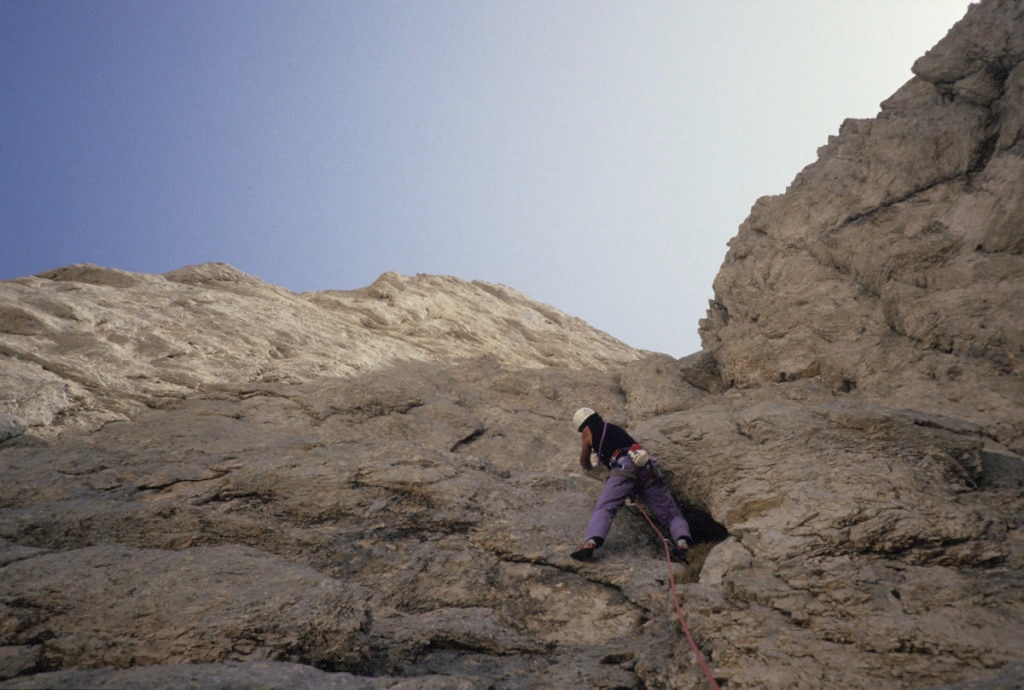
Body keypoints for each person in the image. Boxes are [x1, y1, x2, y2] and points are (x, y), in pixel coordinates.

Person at [571, 407, 692, 563]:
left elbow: (584, 461)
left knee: (606, 507)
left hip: (624, 467)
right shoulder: (612, 428)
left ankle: (591, 543)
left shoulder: (589, 430)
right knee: (670, 513)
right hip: (647, 466)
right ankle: (682, 543)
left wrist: (590, 468)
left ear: (581, 425)